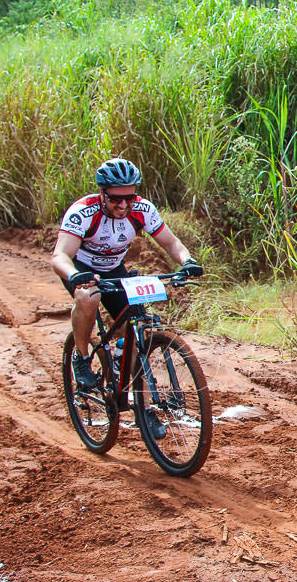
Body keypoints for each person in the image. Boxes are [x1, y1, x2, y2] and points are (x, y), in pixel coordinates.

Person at [51, 158, 203, 439]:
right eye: (115, 199)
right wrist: (74, 275)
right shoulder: (83, 212)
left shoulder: (142, 210)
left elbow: (170, 243)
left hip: (113, 269)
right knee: (89, 298)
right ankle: (82, 358)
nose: (123, 206)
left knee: (133, 330)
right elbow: (60, 255)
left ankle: (140, 404)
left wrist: (187, 261)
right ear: (102, 193)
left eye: (129, 198)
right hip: (80, 269)